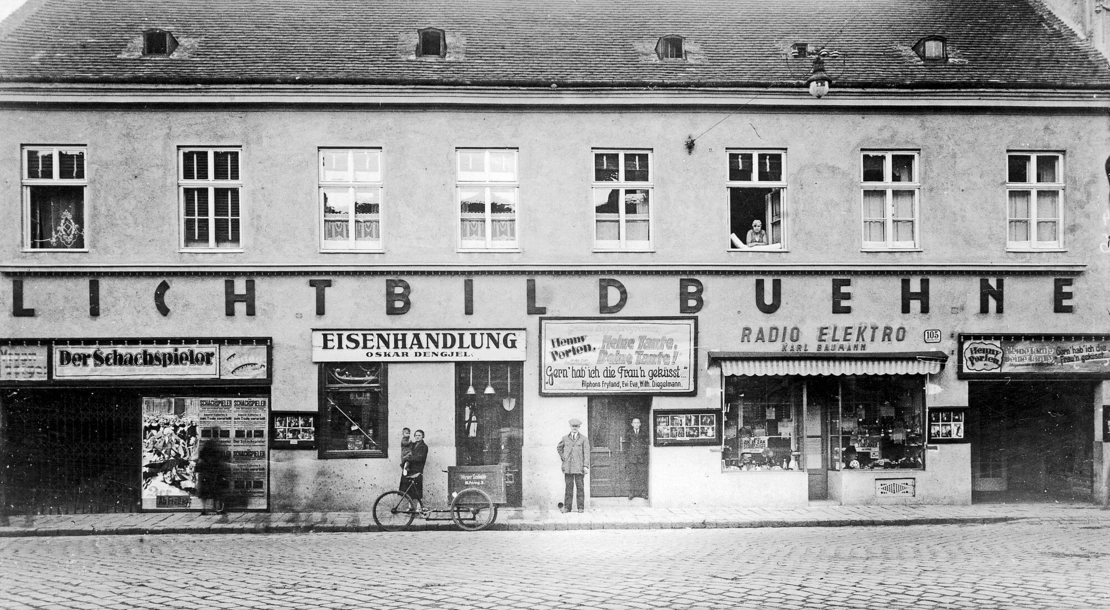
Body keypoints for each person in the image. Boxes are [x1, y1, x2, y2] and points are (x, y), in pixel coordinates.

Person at [556, 418, 590, 513]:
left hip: (579, 467)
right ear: (570, 427)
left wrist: (585, 466)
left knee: (580, 487)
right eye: (573, 426)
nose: (574, 428)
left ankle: (580, 507)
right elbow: (559, 448)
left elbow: (586, 453)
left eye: (576, 426)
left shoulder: (584, 439)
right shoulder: (565, 438)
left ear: (579, 427)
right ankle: (567, 507)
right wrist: (564, 458)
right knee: (568, 488)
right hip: (568, 467)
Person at [401, 429, 428, 511]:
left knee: (418, 489)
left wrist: (409, 458)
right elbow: (405, 448)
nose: (417, 437)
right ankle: (410, 507)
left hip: (417, 470)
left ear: (423, 436)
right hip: (410, 469)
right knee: (410, 489)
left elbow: (420, 458)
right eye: (416, 435)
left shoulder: (424, 447)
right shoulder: (412, 445)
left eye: (419, 435)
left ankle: (419, 508)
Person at [626, 417, 648, 500]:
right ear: (632, 424)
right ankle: (632, 493)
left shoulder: (643, 433)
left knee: (642, 476)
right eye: (634, 423)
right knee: (633, 476)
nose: (636, 424)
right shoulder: (629, 433)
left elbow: (646, 444)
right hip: (632, 459)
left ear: (640, 424)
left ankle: (643, 493)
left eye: (638, 422)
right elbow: (627, 446)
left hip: (641, 458)